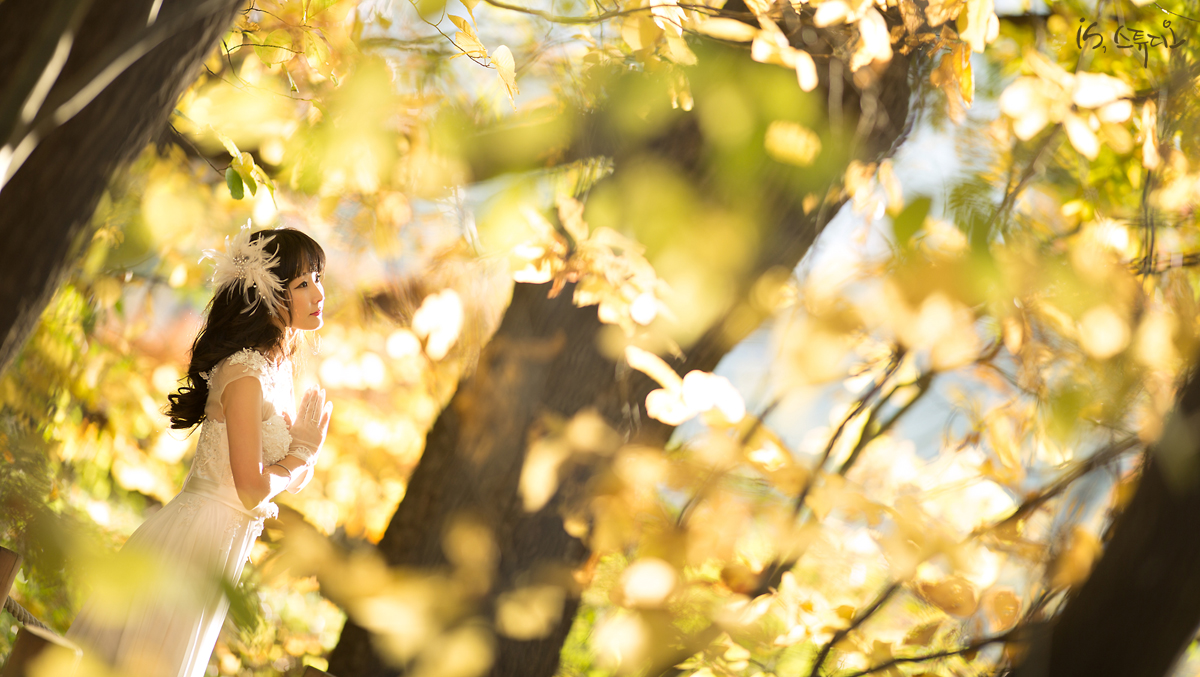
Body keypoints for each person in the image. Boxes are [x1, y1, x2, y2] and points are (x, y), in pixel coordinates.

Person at [67, 226, 333, 677]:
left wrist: (301, 455)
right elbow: (252, 488)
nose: (318, 293)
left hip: (221, 547)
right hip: (193, 543)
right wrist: (303, 453)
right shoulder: (246, 375)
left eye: (317, 278)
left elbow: (278, 477)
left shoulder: (274, 371)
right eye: (303, 283)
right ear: (268, 295)